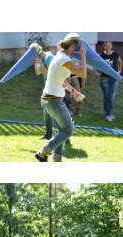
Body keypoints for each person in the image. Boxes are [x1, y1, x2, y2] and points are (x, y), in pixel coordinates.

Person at [35, 34, 87, 162]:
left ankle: (57, 159)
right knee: (68, 130)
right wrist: (83, 55)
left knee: (62, 130)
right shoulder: (63, 58)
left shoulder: (59, 55)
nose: (76, 50)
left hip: (50, 99)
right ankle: (42, 152)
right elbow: (83, 73)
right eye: (75, 48)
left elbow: (62, 80)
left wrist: (73, 91)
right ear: (72, 47)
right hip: (53, 101)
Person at [98, 41, 123, 122]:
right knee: (106, 96)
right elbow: (96, 63)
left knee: (111, 97)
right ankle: (107, 114)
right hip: (104, 78)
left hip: (114, 77)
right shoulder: (101, 55)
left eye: (109, 45)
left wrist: (119, 71)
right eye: (106, 45)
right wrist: (95, 72)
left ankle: (109, 113)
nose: (108, 46)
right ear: (104, 46)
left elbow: (120, 61)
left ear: (111, 46)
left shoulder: (115, 54)